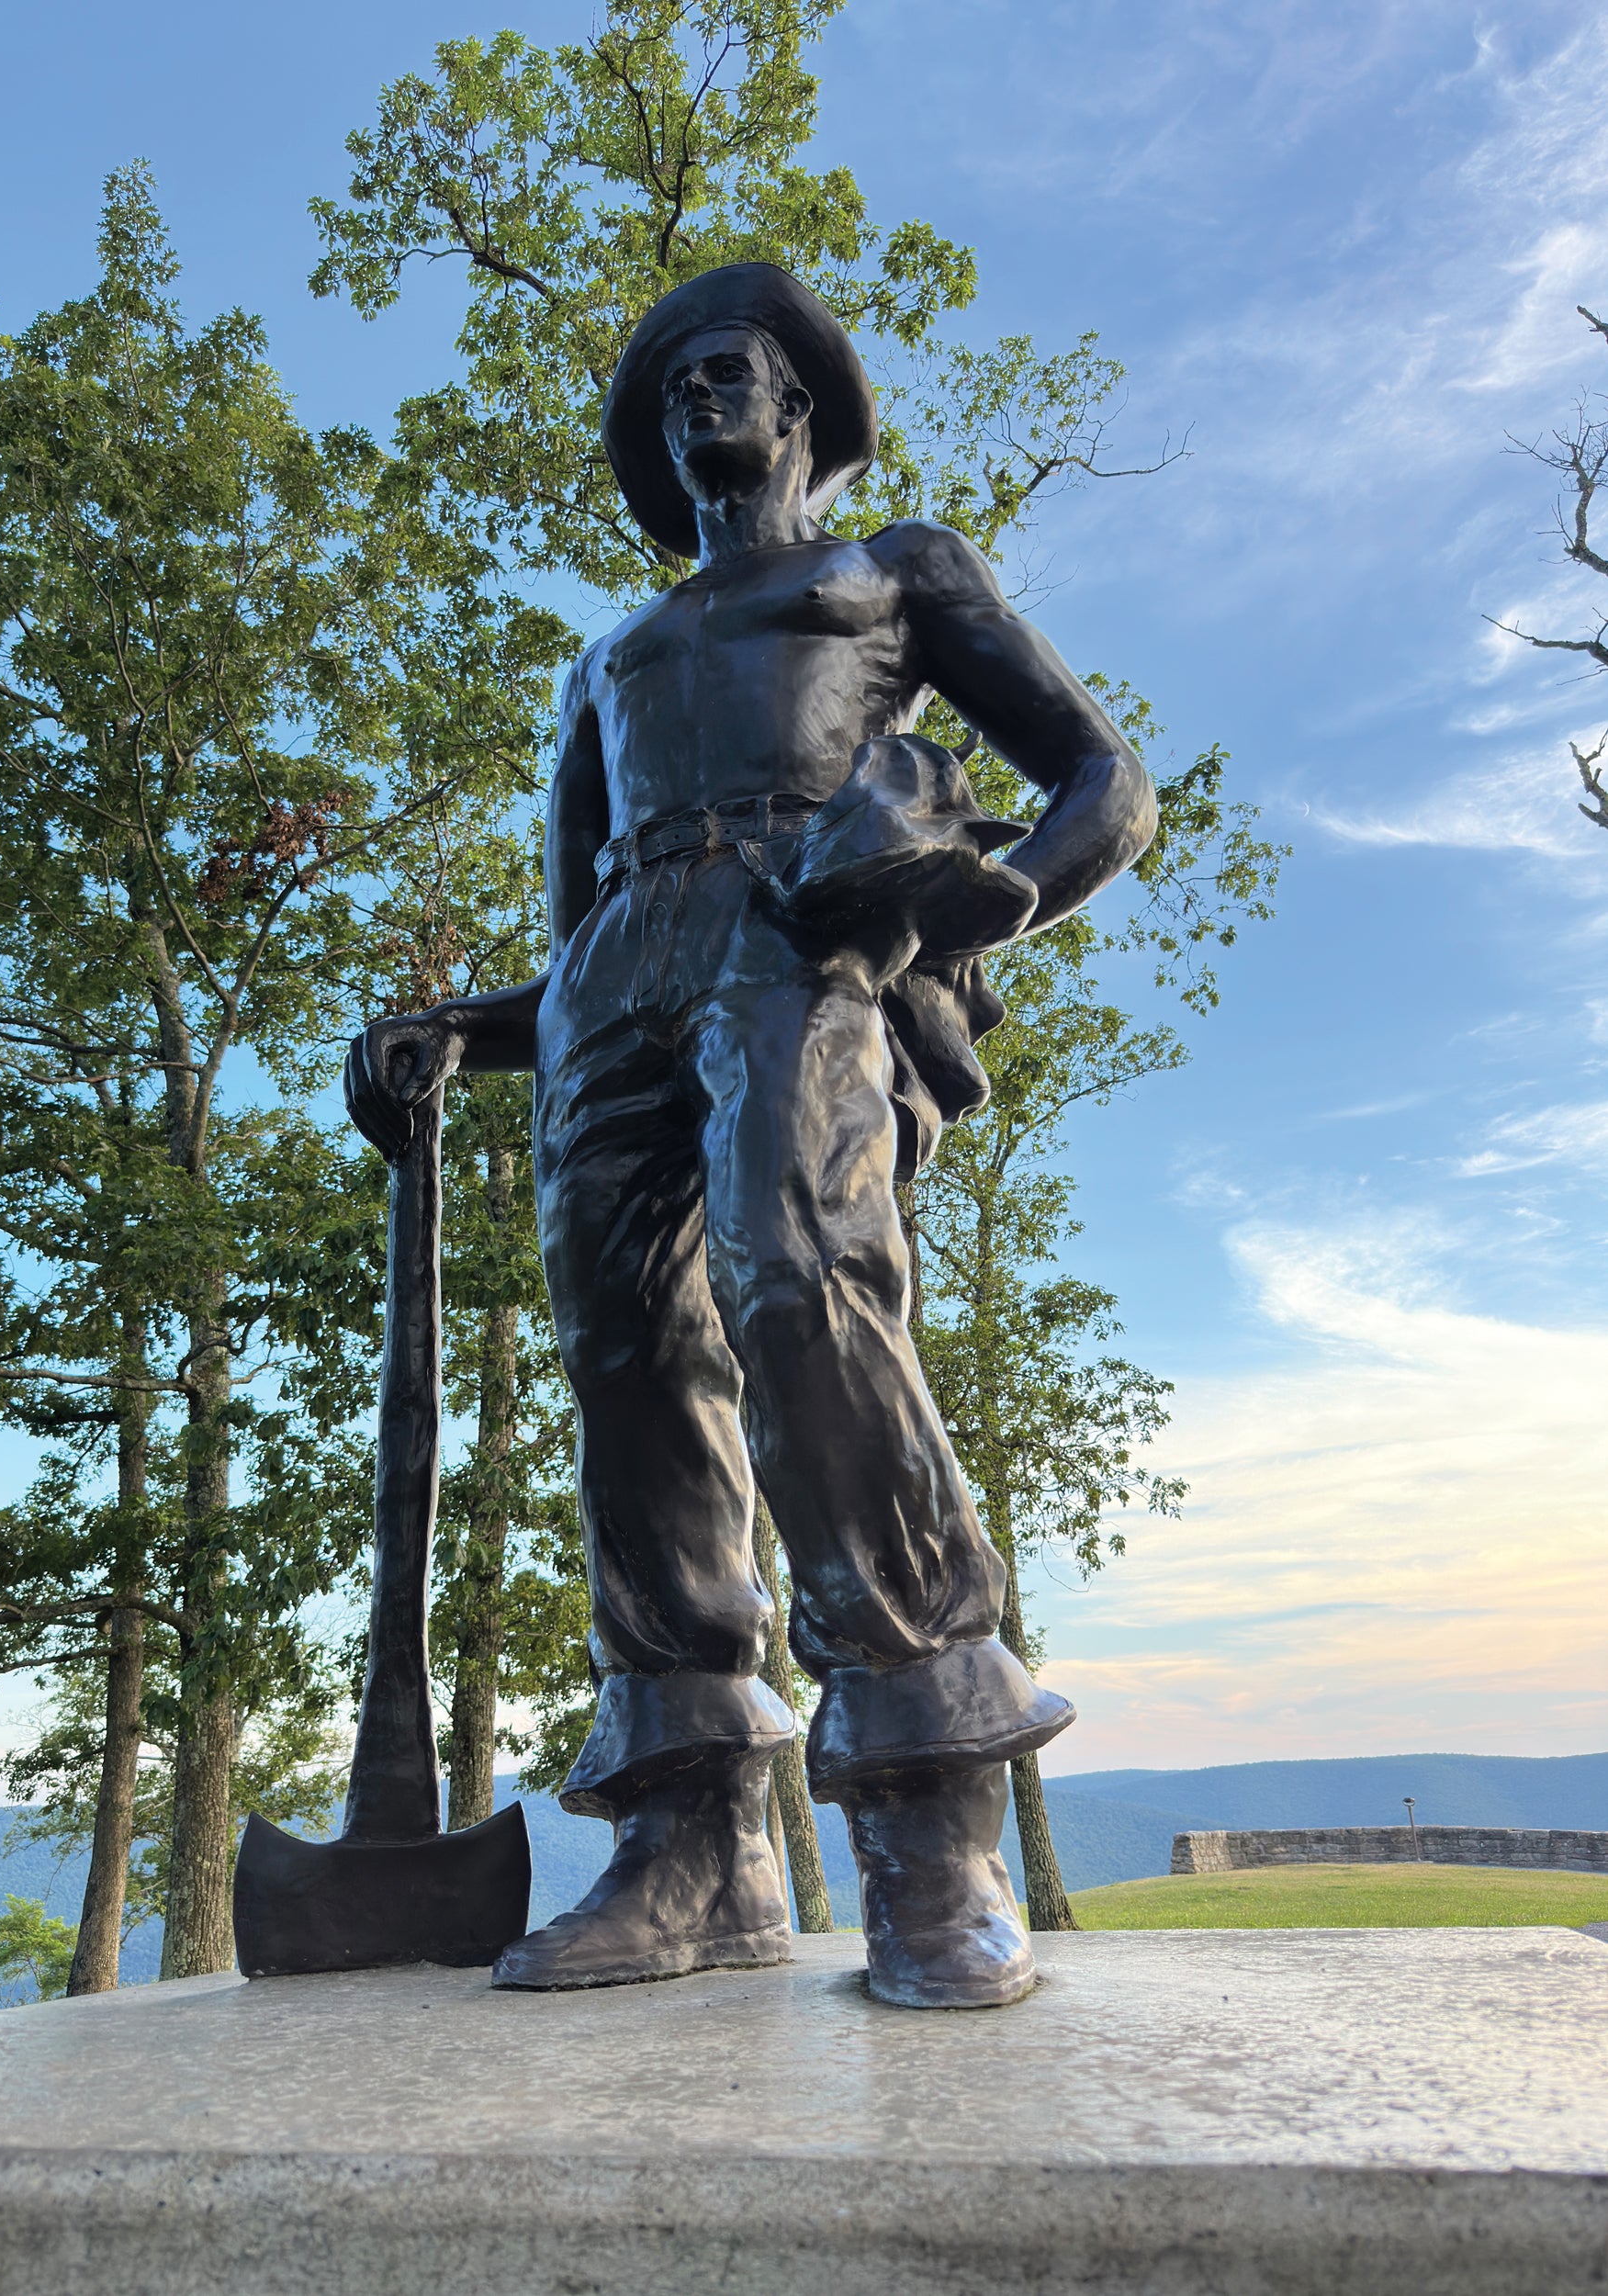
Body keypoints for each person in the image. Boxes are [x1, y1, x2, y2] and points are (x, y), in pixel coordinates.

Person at [347, 264, 1156, 2009]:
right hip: (614, 992)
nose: (703, 391)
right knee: (623, 1353)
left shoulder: (898, 570)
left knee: (800, 1280)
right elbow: (567, 936)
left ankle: (929, 1827)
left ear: (800, 410)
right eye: (677, 384)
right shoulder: (611, 662)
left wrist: (978, 904)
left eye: (738, 370)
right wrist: (457, 1033)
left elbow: (1111, 781)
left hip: (804, 937)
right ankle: (696, 1846)